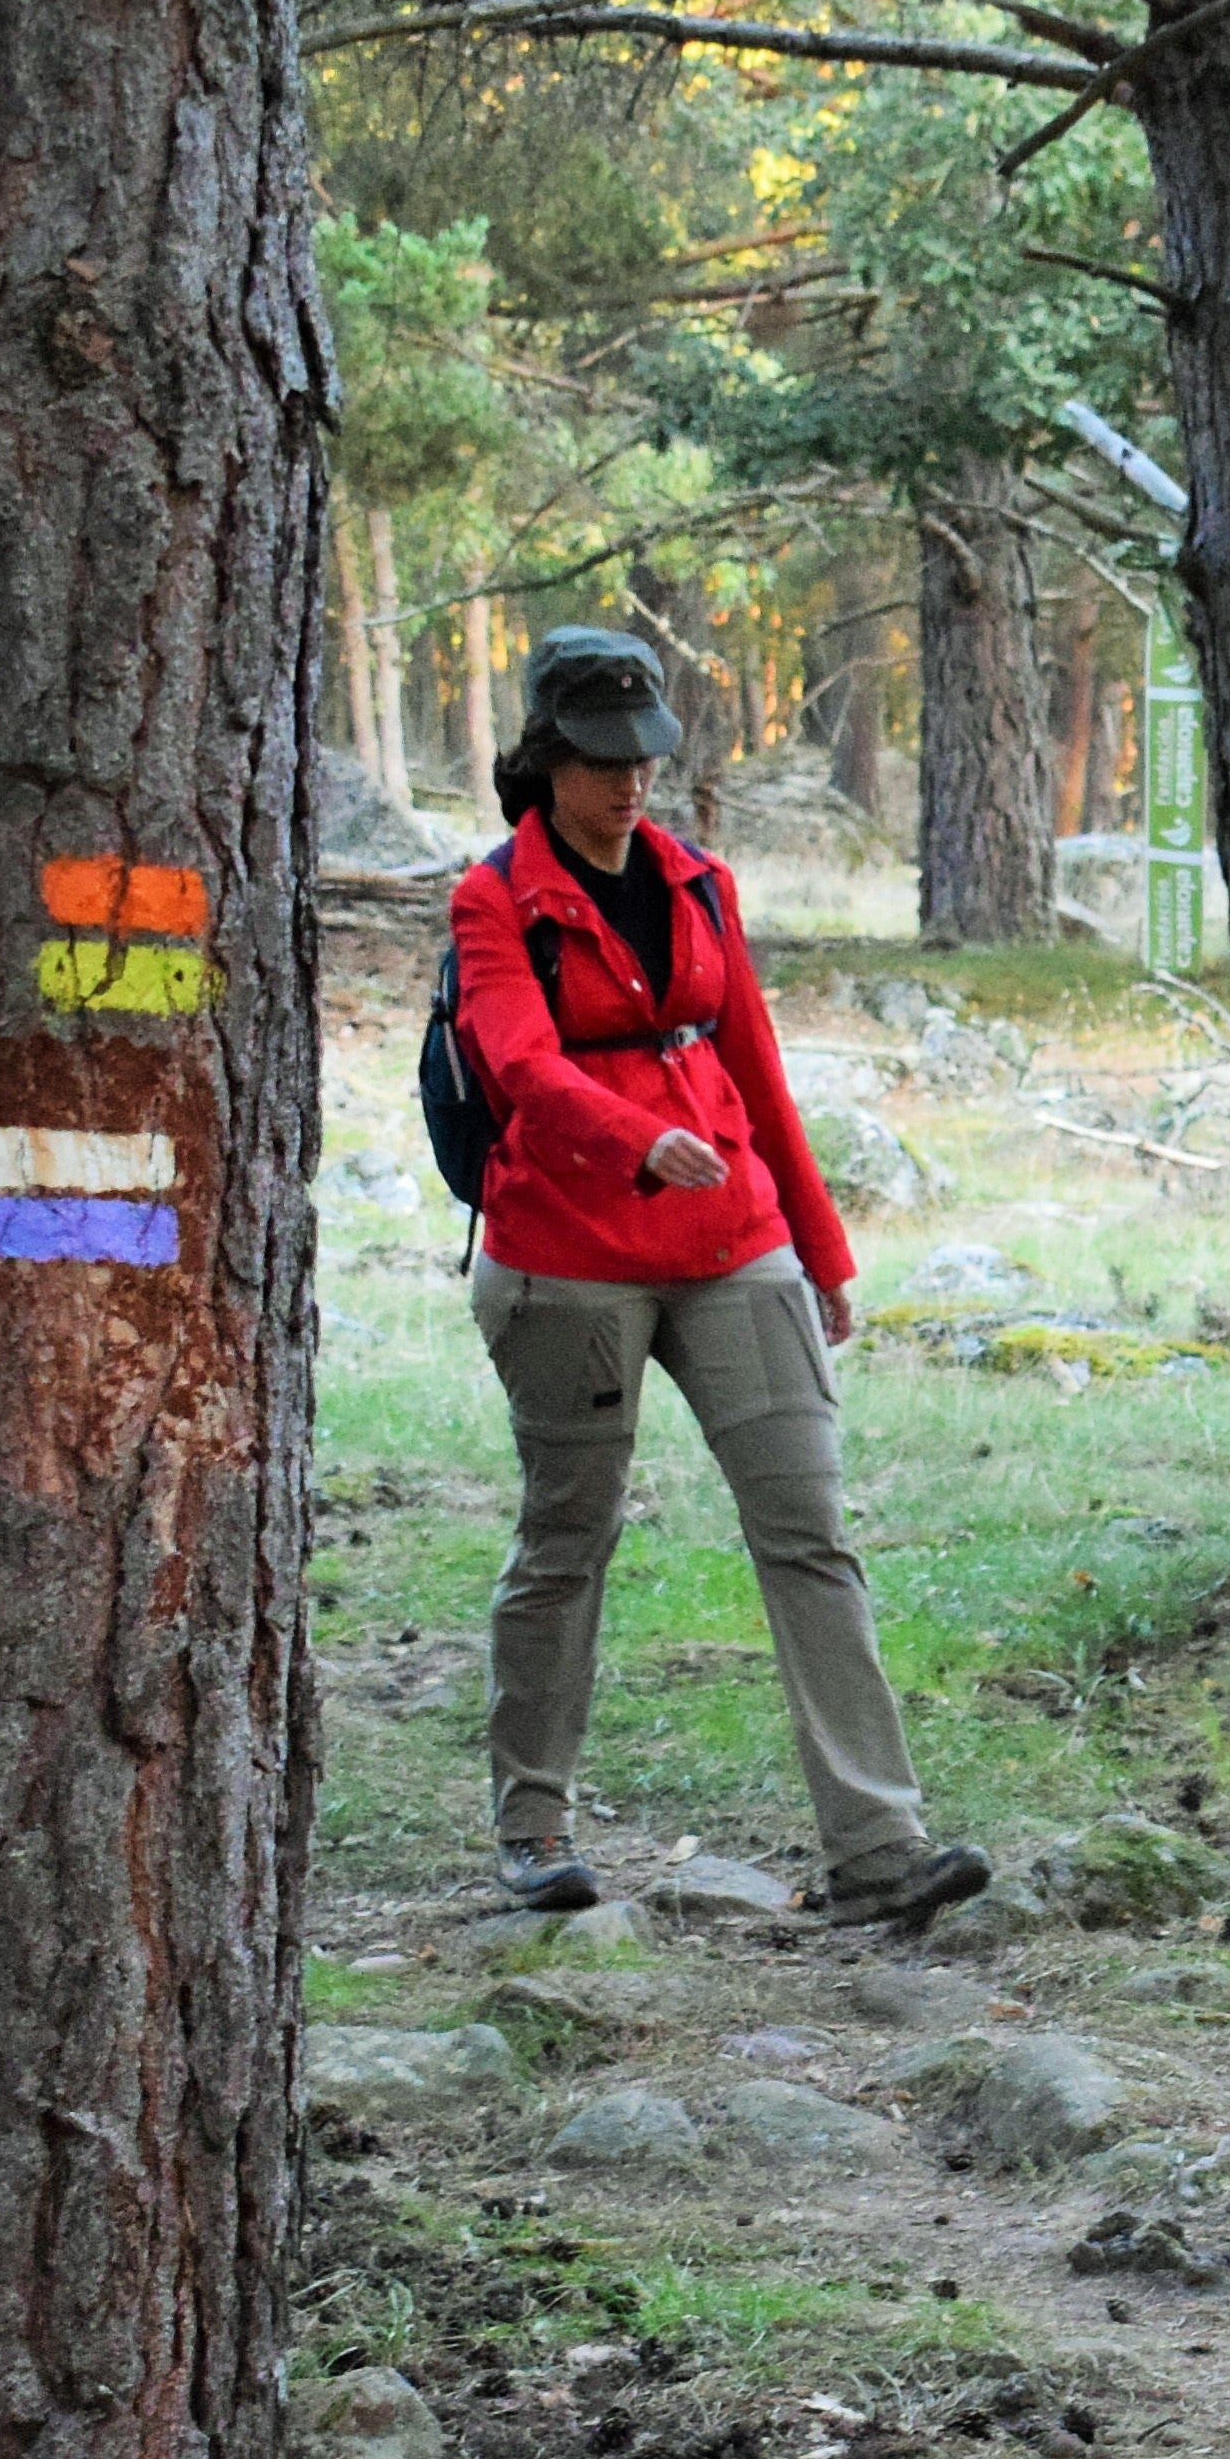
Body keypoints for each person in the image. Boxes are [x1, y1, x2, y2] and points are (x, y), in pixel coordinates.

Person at [447, 623, 988, 1932]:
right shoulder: (492, 897)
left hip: (734, 1240)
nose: (631, 783)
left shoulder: (698, 882)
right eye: (600, 759)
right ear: (546, 757)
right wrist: (639, 1139)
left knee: (812, 1528)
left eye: (646, 756)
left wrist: (822, 1246)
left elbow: (755, 1061)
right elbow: (519, 1065)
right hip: (565, 1254)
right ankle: (534, 1824)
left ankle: (878, 1849)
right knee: (569, 1537)